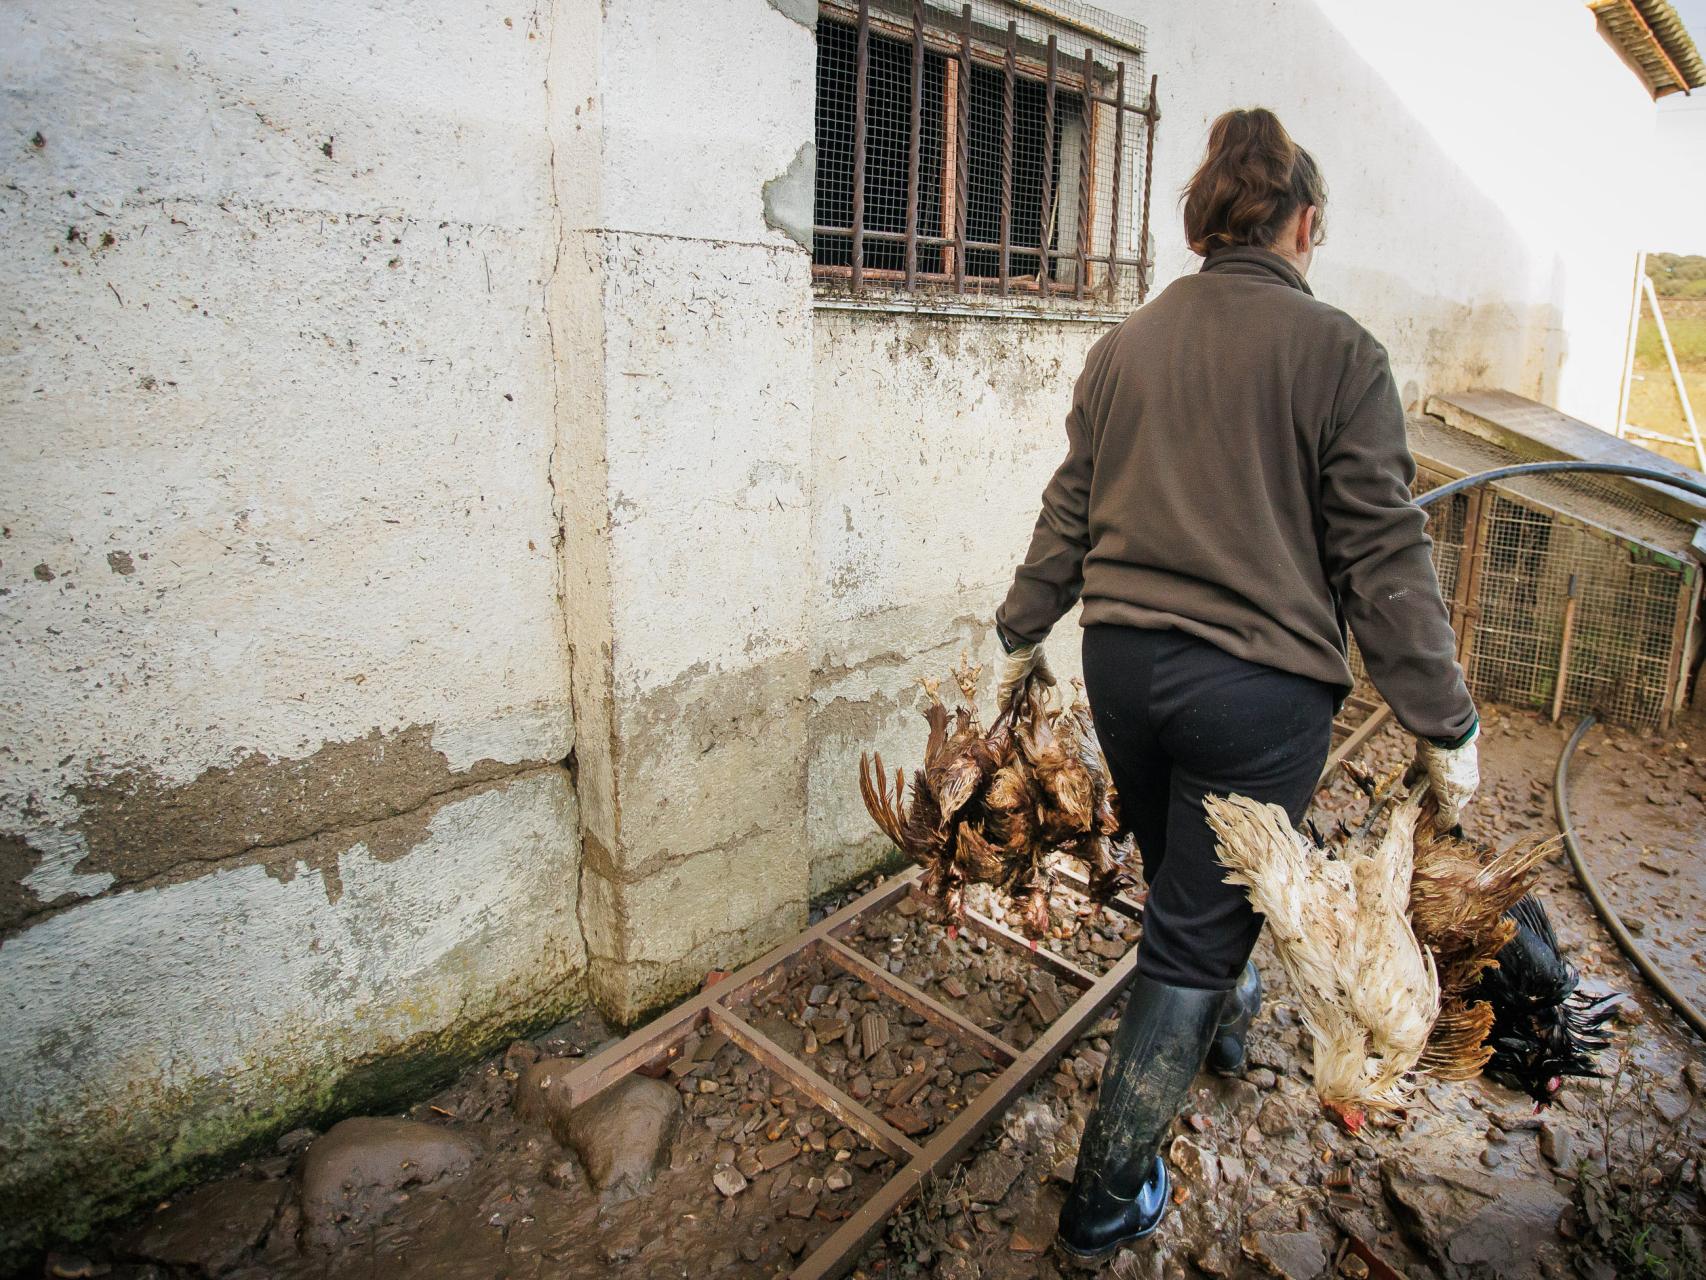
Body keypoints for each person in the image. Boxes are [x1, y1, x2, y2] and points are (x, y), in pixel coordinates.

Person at [991, 107, 1480, 1263]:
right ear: (1303, 223)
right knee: (1193, 929)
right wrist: (1441, 718)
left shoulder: (1122, 349)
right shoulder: (1341, 354)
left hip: (1124, 666)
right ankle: (1108, 1192)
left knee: (1187, 878)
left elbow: (1069, 507)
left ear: (1207, 222)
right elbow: (1378, 552)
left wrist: (1020, 629)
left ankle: (1224, 1019)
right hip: (1254, 692)